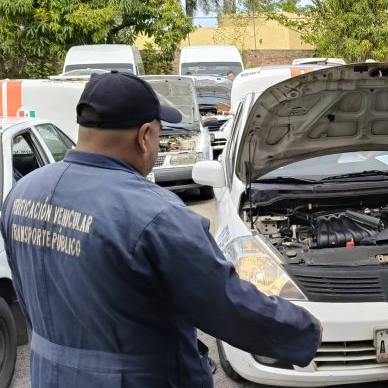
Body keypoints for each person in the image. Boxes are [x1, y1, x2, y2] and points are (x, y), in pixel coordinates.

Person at [0, 71, 322, 387]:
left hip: (48, 372)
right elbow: (224, 303)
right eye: (158, 133)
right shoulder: (156, 214)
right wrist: (303, 329)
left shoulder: (21, 194)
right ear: (144, 136)